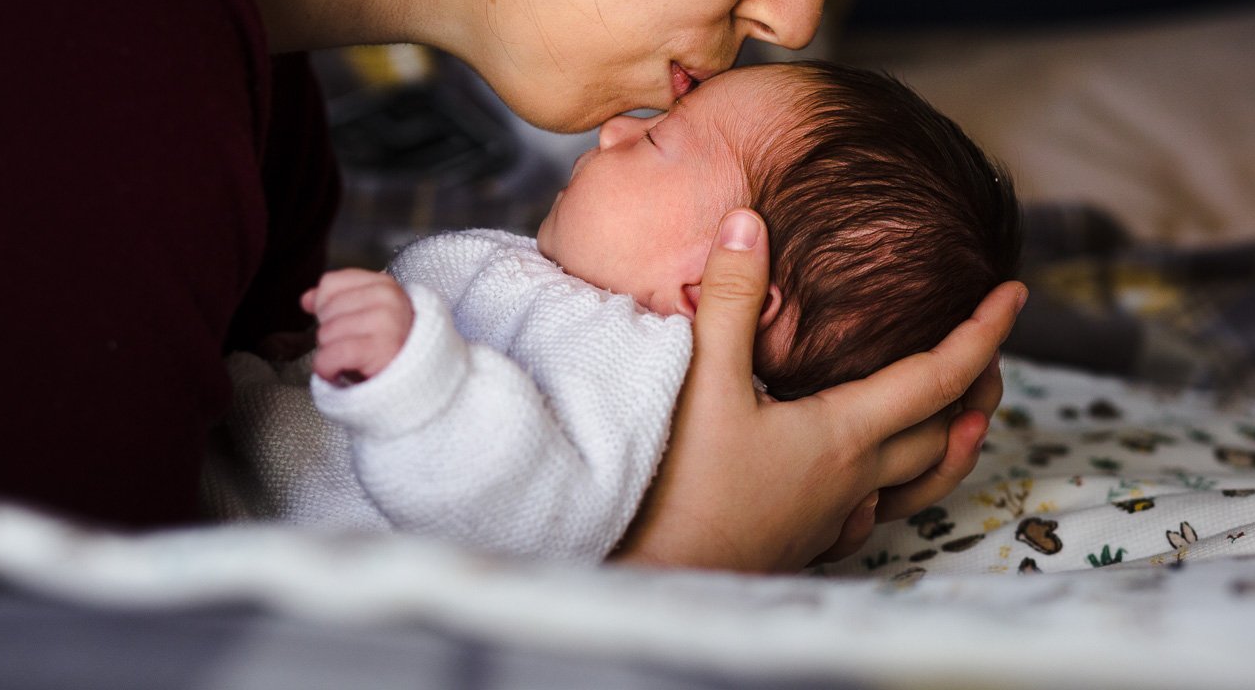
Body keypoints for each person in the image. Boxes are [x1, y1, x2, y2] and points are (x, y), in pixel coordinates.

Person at [0, 0, 1025, 571]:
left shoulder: (262, 122)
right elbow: (63, 642)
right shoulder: (93, 14)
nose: (795, 16)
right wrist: (679, 560)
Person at [206, 61, 1021, 561]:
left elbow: (521, 514)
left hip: (232, 535)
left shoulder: (628, 369)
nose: (615, 131)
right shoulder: (585, 312)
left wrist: (407, 377)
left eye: (663, 139)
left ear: (714, 285)